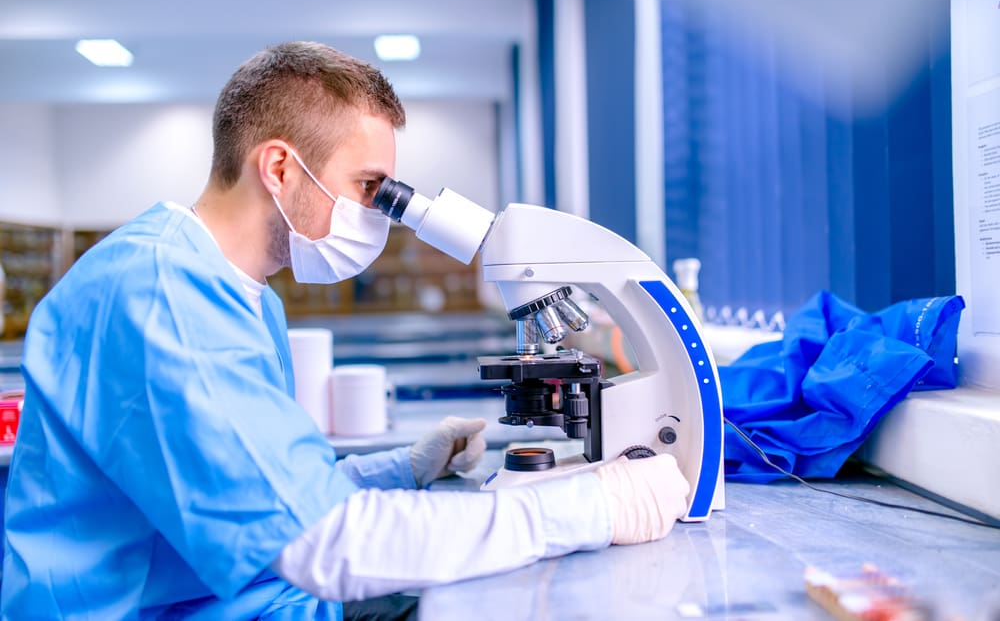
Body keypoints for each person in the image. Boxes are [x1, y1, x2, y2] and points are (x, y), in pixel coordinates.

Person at [0, 41, 691, 619]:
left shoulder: (243, 297)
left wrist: (398, 470)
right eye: (370, 187)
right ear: (278, 167)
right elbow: (319, 540)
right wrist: (585, 511)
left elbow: (258, 489)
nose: (381, 214)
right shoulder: (157, 296)